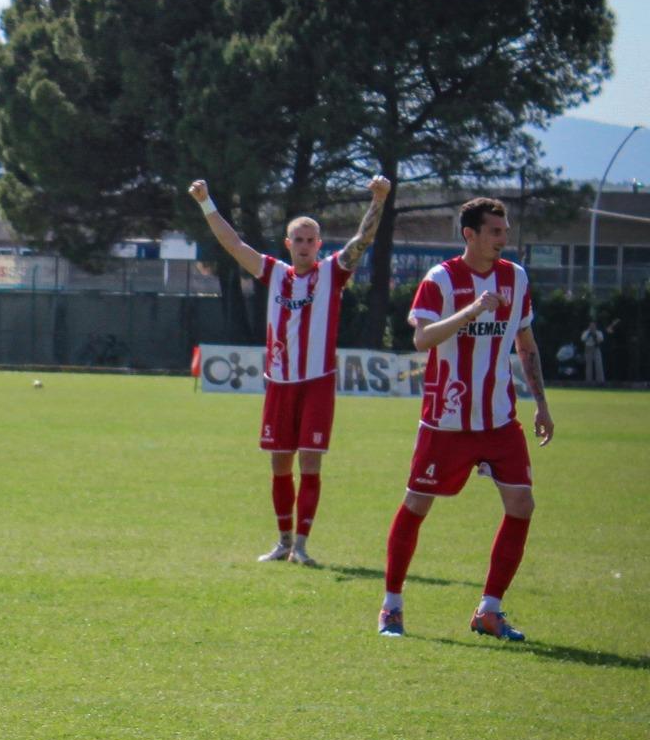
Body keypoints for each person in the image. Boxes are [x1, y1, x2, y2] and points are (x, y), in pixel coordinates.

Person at [188, 175, 390, 565]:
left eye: (310, 239)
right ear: (288, 244)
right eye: (297, 239)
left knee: (310, 463)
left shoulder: (333, 272)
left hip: (316, 383)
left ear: (319, 245)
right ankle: (282, 541)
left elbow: (362, 241)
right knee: (279, 464)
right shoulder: (275, 273)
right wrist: (206, 202)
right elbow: (233, 245)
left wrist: (378, 200)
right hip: (279, 383)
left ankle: (301, 545)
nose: (304, 245)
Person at [378, 197, 554, 640]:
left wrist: (542, 405)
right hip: (447, 421)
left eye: (505, 230)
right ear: (469, 235)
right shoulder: (441, 279)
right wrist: (472, 311)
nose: (503, 238)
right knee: (417, 504)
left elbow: (526, 344)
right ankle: (392, 607)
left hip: (499, 420)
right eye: (495, 231)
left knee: (522, 505)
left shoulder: (516, 278)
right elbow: (422, 340)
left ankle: (489, 611)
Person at [581, 318, 606, 385]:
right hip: (588, 349)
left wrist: (594, 335)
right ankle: (588, 381)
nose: (592, 327)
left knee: (599, 364)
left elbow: (600, 340)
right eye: (591, 325)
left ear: (595, 326)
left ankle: (600, 381)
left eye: (593, 325)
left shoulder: (599, 332)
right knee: (589, 366)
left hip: (596, 348)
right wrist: (589, 334)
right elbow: (583, 339)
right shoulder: (586, 332)